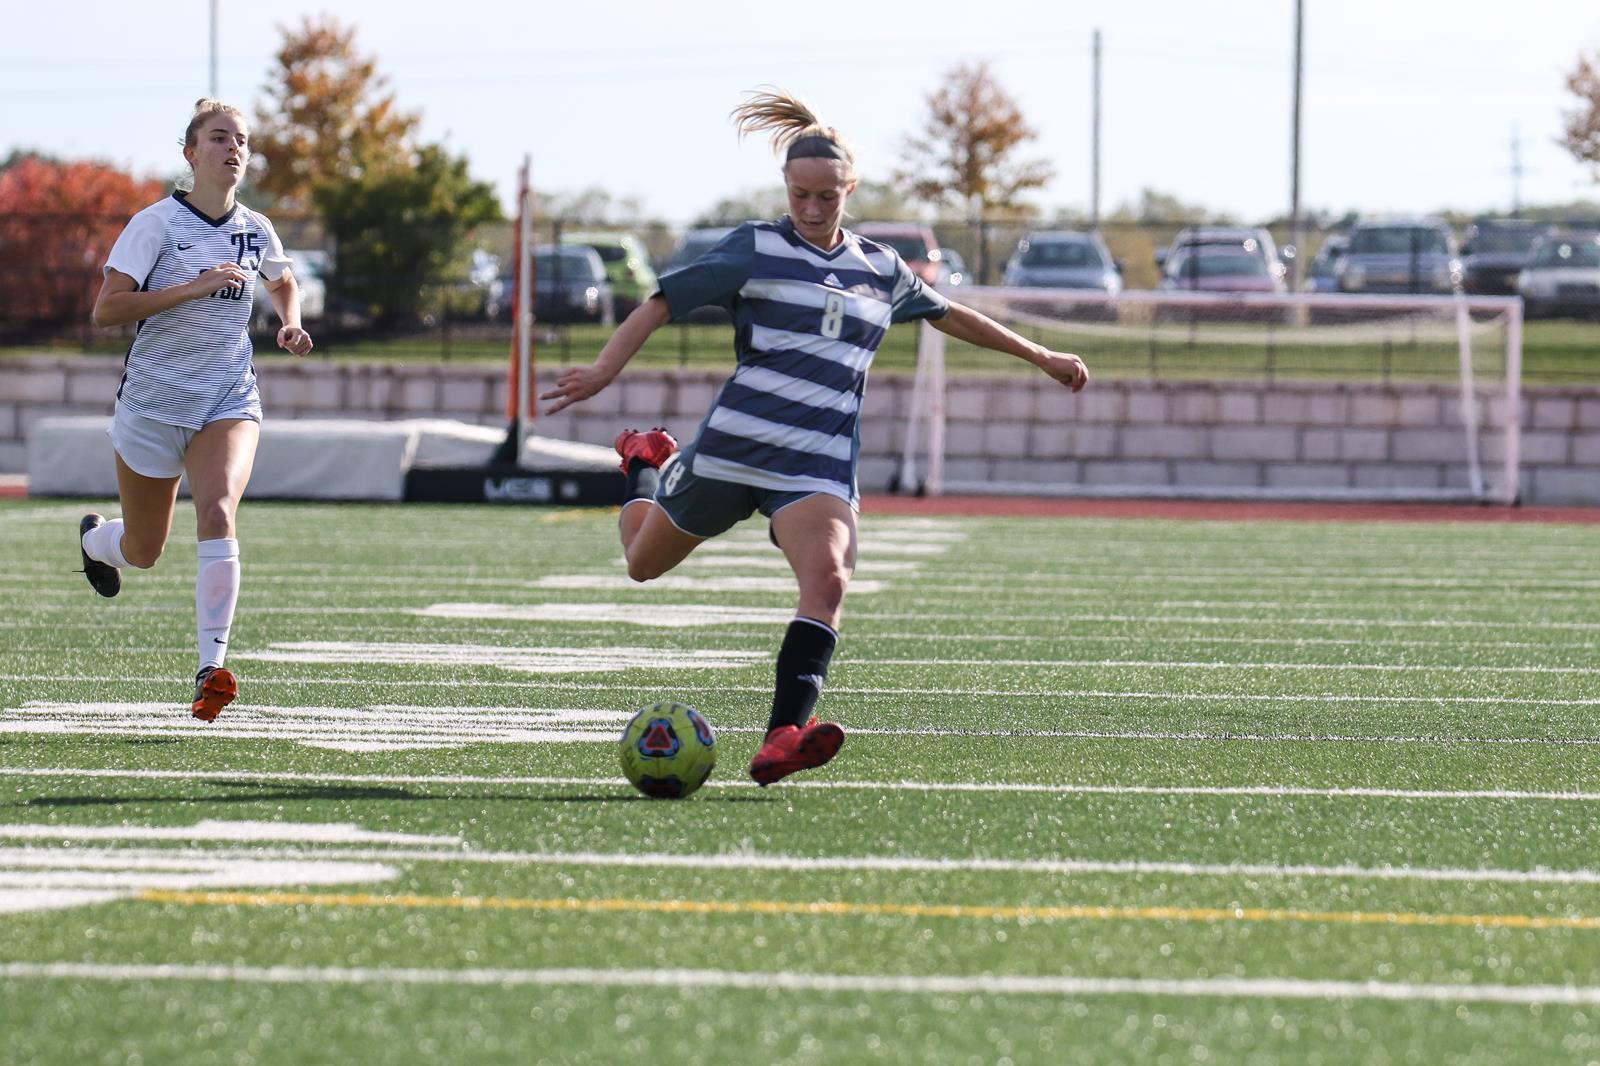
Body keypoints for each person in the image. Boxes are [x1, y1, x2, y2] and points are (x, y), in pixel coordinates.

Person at [540, 88, 1088, 785]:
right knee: (643, 565)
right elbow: (661, 303)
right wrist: (603, 371)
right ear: (787, 188)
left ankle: (781, 738)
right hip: (734, 448)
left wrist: (1041, 357)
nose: (812, 207)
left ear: (849, 190)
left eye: (827, 195)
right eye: (800, 194)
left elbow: (952, 315)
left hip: (817, 465)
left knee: (828, 581)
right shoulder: (754, 247)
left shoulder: (881, 269)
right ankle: (646, 463)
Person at [79, 98, 313, 722]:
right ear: (191, 154)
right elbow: (107, 311)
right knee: (145, 549)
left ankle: (211, 668)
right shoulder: (154, 223)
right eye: (218, 138)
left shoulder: (256, 227)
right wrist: (194, 286)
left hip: (226, 398)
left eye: (241, 140)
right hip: (151, 406)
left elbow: (282, 279)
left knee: (217, 511)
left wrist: (289, 324)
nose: (233, 148)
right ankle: (98, 542)